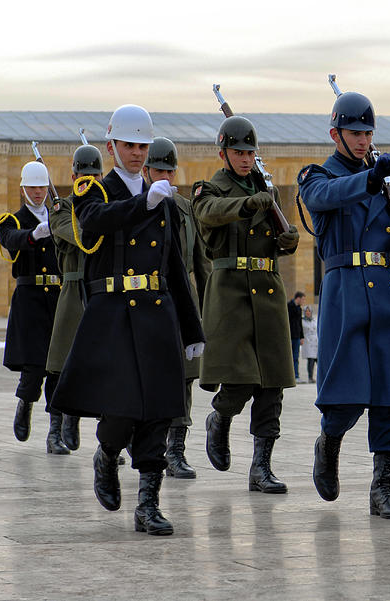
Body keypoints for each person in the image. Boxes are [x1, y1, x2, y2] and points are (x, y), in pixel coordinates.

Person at [52, 104, 205, 536]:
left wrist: (192, 329)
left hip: (157, 313)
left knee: (159, 411)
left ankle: (148, 505)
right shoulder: (93, 191)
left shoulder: (165, 200)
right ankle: (106, 454)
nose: (137, 153)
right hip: (114, 312)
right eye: (128, 145)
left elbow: (176, 268)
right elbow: (93, 224)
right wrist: (143, 203)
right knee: (120, 409)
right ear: (111, 146)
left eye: (142, 145)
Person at [297, 88, 390, 519]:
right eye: (353, 132)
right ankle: (328, 442)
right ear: (335, 133)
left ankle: (383, 489)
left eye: (367, 132)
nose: (362, 140)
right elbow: (322, 200)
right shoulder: (317, 175)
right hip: (346, 289)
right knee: (345, 394)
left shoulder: (386, 180)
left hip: (388, 289)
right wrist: (370, 179)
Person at [192, 115, 300, 494]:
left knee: (272, 383)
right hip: (232, 290)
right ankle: (220, 418)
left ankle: (261, 467)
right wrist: (247, 203)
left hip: (267, 288)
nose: (245, 158)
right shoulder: (210, 188)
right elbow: (209, 214)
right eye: (238, 152)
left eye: (250, 152)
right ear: (223, 153)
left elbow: (276, 238)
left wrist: (288, 240)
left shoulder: (265, 188)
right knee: (240, 377)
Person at [143, 136, 211, 479]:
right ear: (146, 170)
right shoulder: (136, 203)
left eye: (170, 171)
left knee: (184, 378)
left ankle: (177, 450)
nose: (165, 177)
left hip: (180, 303)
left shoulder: (185, 208)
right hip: (144, 302)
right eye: (158, 170)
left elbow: (201, 263)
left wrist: (206, 311)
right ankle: (134, 443)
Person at [0, 160, 67, 453]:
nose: (38, 192)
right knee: (35, 366)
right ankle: (26, 402)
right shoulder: (11, 219)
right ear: (24, 188)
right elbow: (9, 240)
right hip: (30, 299)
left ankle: (55, 433)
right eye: (32, 187)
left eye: (41, 187)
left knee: (57, 367)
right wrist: (32, 235)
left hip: (57, 298)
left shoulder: (59, 217)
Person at [46, 144, 106, 452]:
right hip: (73, 293)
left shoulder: (107, 205)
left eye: (95, 176)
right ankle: (56, 427)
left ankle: (108, 441)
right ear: (73, 176)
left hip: (100, 290)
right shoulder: (62, 209)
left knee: (106, 366)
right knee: (61, 365)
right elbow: (81, 234)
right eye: (84, 175)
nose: (89, 180)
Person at [287, 291, 305, 379]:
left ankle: (296, 375)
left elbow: (300, 323)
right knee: (288, 357)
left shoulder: (299, 308)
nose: (303, 301)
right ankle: (288, 375)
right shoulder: (289, 306)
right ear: (298, 298)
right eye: (302, 299)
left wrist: (302, 336)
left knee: (296, 357)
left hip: (297, 336)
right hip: (289, 335)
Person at [300, 305, 318, 383]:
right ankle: (310, 377)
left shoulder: (314, 320)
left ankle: (321, 376)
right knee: (310, 360)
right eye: (306, 311)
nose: (307, 312)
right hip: (308, 342)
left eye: (309, 311)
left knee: (318, 360)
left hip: (315, 342)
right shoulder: (302, 321)